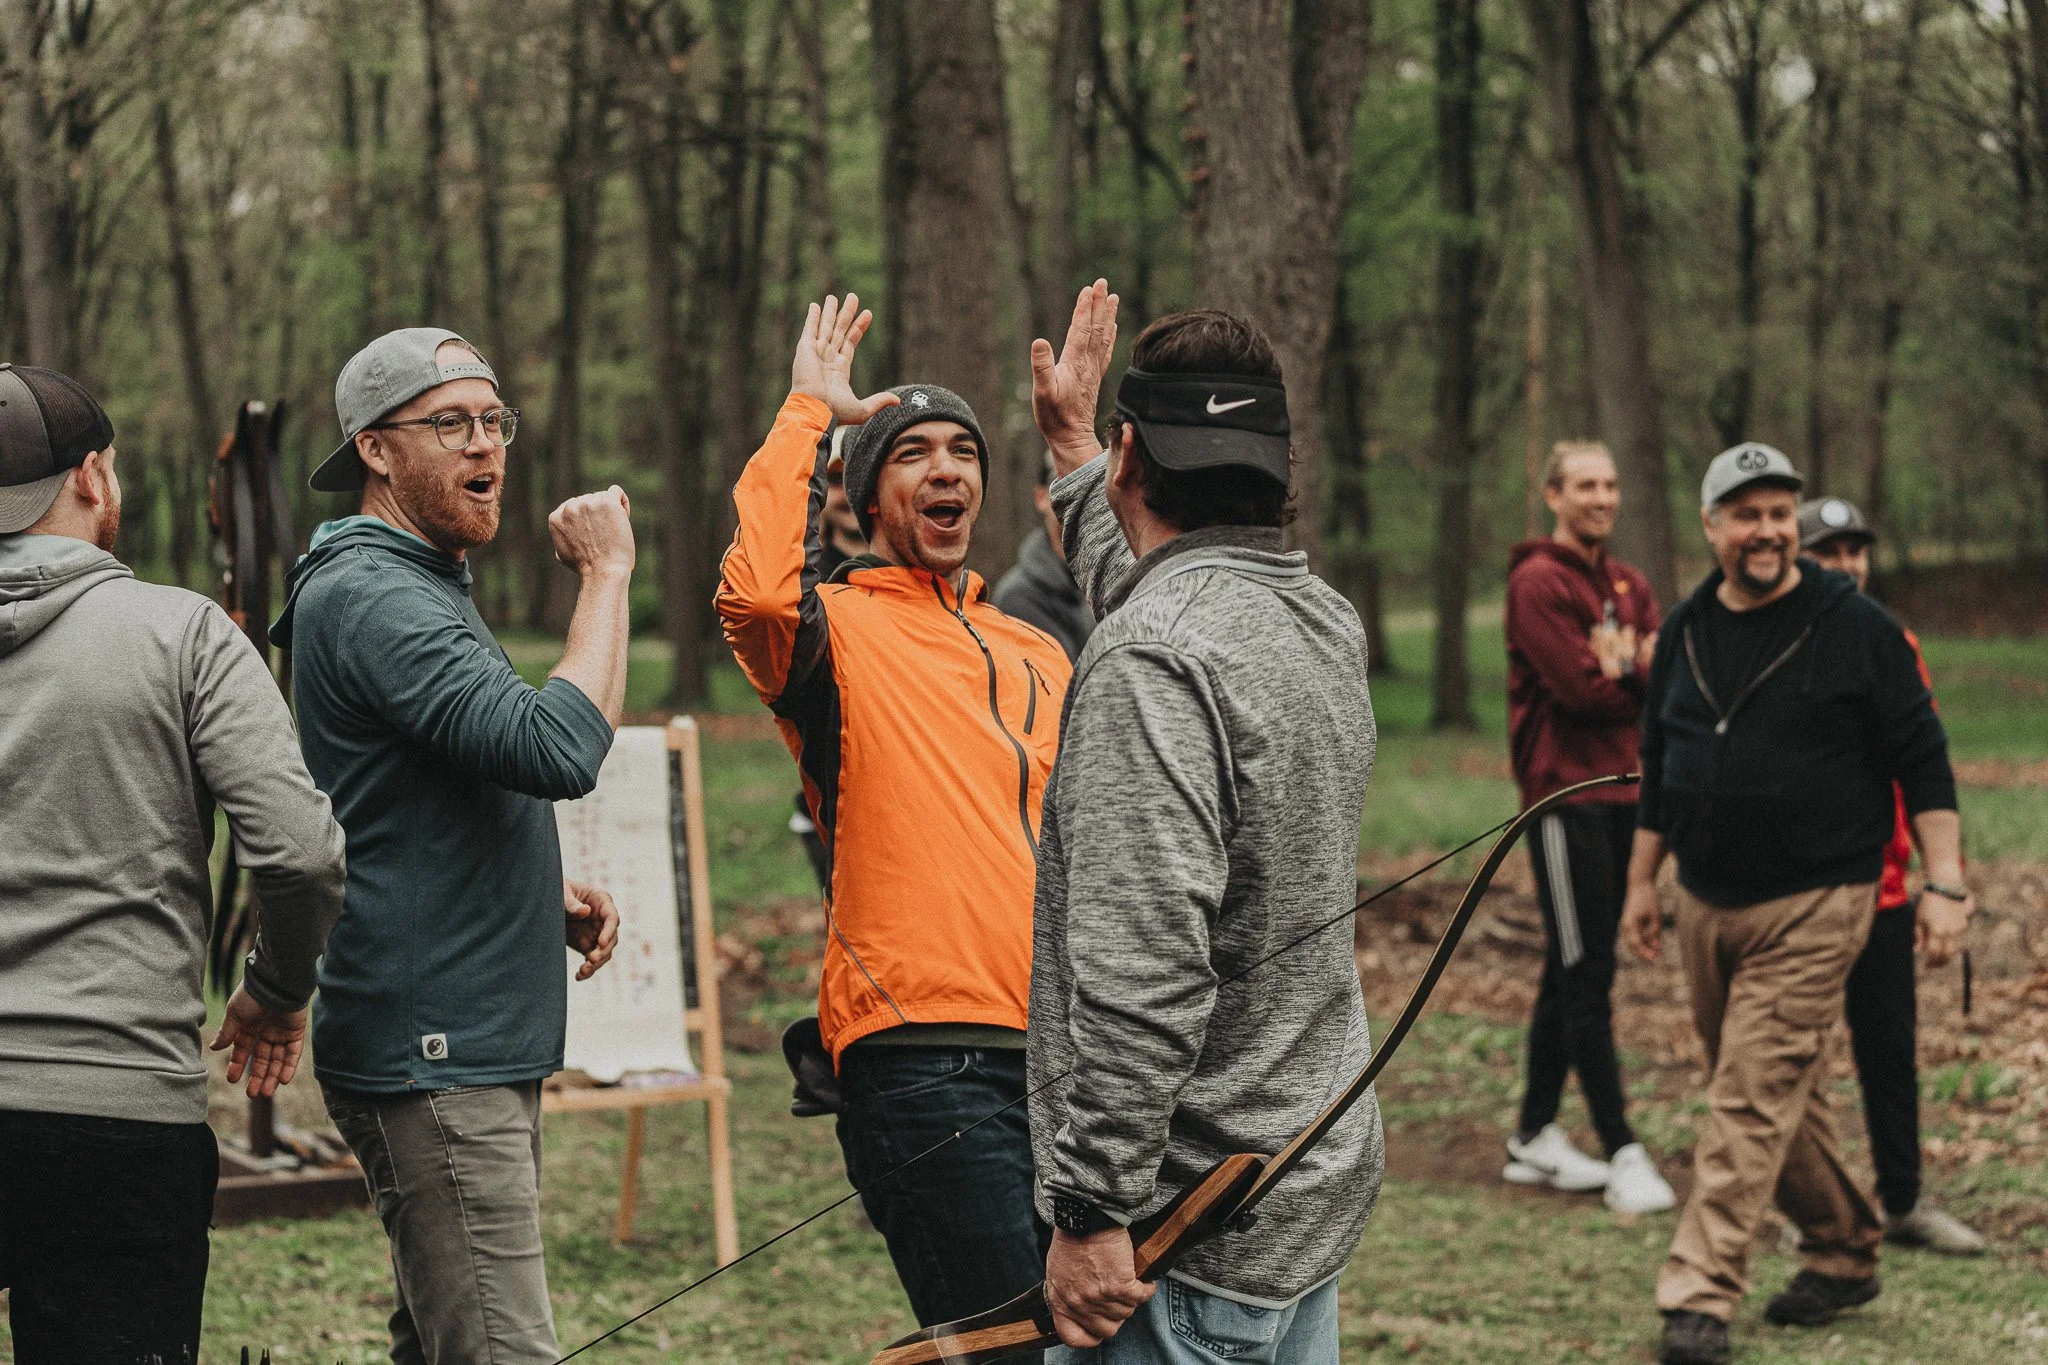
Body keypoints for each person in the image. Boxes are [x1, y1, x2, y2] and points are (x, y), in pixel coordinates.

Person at [1025, 285, 1381, 1364]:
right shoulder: (1317, 618)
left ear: (1135, 460)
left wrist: (1090, 1212)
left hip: (1174, 1244)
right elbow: (1167, 588)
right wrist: (1076, 448)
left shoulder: (1151, 658)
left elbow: (1145, 973)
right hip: (1294, 1201)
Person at [717, 295, 1072, 1347]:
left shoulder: (1039, 651)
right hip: (921, 1059)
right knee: (1017, 1348)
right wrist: (805, 414)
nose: (945, 469)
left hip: (1065, 1056)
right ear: (868, 495)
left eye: (961, 450)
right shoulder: (829, 631)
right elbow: (756, 599)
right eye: (910, 452)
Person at [272, 328, 631, 1365]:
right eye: (450, 424)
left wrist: (526, 887)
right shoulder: (377, 596)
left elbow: (408, 792)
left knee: (437, 1346)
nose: (486, 445)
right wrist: (605, 576)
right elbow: (558, 747)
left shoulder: (419, 582)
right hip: (435, 1047)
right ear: (375, 452)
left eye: (493, 421)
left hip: (465, 1035)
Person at [0, 363, 347, 1364]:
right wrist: (278, 989)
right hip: (118, 1118)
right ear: (97, 477)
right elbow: (298, 852)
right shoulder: (182, 632)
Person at [1622, 443, 1967, 1365]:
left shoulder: (1858, 627)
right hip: (1705, 897)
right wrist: (1639, 887)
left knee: (1746, 1094)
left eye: (1781, 511)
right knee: (1772, 1093)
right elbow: (1660, 767)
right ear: (1712, 526)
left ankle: (1698, 1295)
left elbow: (1924, 758)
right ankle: (1847, 1246)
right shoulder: (1688, 630)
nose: (1768, 529)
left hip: (1822, 897)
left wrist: (1945, 883)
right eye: (1747, 512)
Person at [1797, 495, 1985, 1256]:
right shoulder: (1778, 641)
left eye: (1855, 550)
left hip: (1885, 888)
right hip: (1800, 891)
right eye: (1828, 550)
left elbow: (1921, 760)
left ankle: (1903, 1201)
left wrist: (1940, 877)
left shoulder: (1893, 641)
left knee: (1889, 1048)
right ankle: (1808, 1203)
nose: (1845, 563)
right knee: (1792, 1056)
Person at [1502, 440, 1676, 1214]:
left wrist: (1632, 665)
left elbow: (1660, 677)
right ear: (1553, 495)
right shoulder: (1537, 581)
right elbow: (1580, 689)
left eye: (1610, 484)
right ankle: (1623, 1147)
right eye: (1585, 485)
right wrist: (1631, 666)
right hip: (1563, 797)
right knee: (1587, 972)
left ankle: (1534, 1133)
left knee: (1572, 966)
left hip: (1628, 795)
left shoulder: (1630, 583)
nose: (1602, 497)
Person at [790, 425, 868, 888]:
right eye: (836, 481)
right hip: (829, 806)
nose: (848, 493)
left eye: (856, 477)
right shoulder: (811, 578)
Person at [994, 449, 1095, 661]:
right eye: (1064, 480)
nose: (1077, 491)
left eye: (1089, 482)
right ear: (1041, 497)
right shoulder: (1017, 598)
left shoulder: (1109, 582)